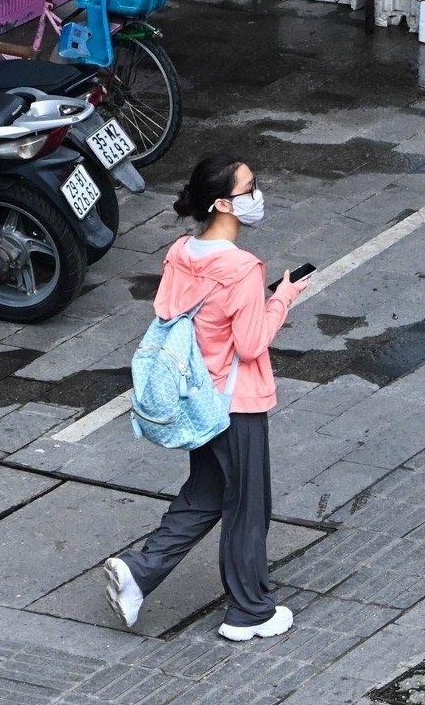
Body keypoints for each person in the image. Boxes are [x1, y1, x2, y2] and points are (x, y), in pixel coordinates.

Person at [102, 154, 310, 641]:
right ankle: (249, 611)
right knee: (247, 505)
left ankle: (139, 571)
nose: (257, 194)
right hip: (236, 404)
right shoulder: (240, 268)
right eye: (249, 187)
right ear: (222, 203)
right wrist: (282, 296)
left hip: (198, 397)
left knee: (206, 495)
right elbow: (252, 343)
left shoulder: (181, 252)